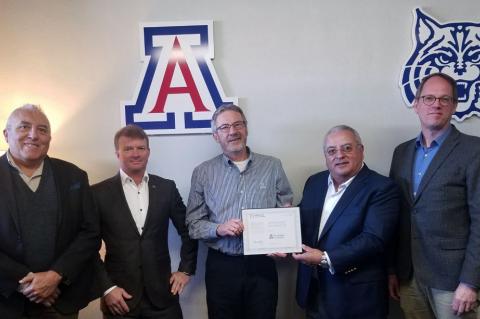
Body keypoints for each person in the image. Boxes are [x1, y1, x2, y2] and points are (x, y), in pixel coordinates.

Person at [185, 104, 293, 319]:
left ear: (246, 128)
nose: (232, 131)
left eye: (238, 124)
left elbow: (286, 210)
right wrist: (219, 228)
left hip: (262, 264)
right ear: (216, 136)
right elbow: (193, 224)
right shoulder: (203, 172)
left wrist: (284, 241)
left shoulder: (272, 166)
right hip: (222, 266)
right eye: (224, 127)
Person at [389, 73, 480, 319]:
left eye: (444, 99)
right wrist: (393, 270)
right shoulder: (401, 153)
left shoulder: (474, 151)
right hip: (409, 277)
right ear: (416, 104)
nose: (436, 104)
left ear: (454, 105)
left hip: (454, 282)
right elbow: (397, 216)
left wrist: (471, 282)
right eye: (428, 98)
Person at [0, 104, 100, 318]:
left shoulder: (74, 176)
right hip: (6, 301)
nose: (34, 135)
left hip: (61, 300)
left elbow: (90, 233)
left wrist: (55, 276)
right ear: (6, 134)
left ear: (49, 138)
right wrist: (26, 283)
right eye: (24, 127)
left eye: (42, 130)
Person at [293, 125, 400, 319]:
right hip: (314, 292)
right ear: (325, 156)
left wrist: (324, 258)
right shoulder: (314, 182)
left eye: (347, 148)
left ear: (361, 150)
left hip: (356, 298)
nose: (339, 155)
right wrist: (281, 238)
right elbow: (301, 224)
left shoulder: (382, 188)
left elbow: (373, 239)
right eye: (331, 151)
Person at [92, 124, 197, 319]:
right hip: (120, 299)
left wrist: (185, 270)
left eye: (140, 148)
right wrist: (106, 288)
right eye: (128, 148)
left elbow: (189, 229)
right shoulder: (97, 194)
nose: (135, 154)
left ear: (148, 152)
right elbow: (88, 246)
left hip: (163, 297)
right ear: (117, 153)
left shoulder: (167, 188)